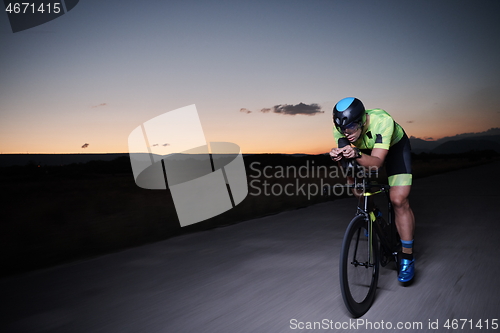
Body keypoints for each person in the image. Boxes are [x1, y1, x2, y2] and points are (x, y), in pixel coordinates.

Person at [329, 97, 415, 283]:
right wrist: (339, 158)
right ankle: (375, 215)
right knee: (354, 184)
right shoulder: (340, 130)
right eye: (342, 129)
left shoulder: (382, 120)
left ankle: (407, 257)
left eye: (351, 127)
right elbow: (348, 169)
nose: (347, 133)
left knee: (399, 199)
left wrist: (357, 153)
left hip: (394, 151)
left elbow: (376, 164)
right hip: (365, 153)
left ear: (362, 120)